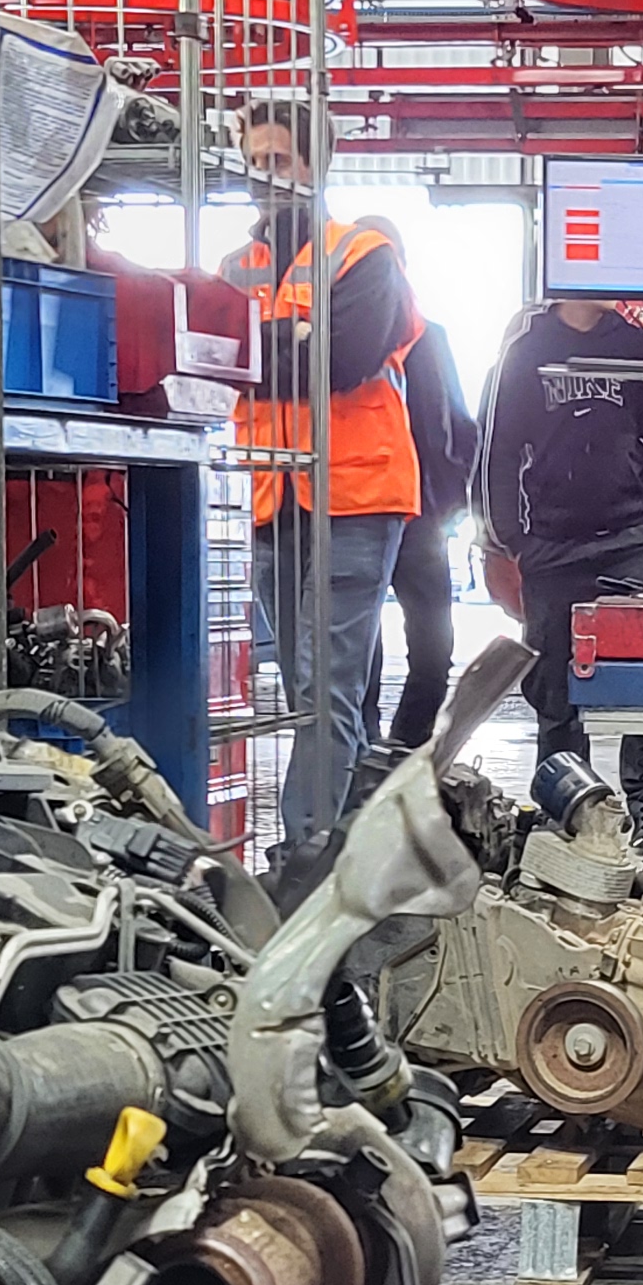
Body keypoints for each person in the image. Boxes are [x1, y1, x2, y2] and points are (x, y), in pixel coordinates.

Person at [227, 98, 424, 844]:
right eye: (254, 160)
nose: (263, 177)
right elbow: (214, 368)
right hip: (271, 496)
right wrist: (294, 338)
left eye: (278, 161)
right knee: (307, 684)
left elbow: (345, 360)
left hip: (354, 493)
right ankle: (344, 847)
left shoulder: (364, 255)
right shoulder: (233, 267)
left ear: (318, 164)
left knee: (326, 686)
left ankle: (300, 856)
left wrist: (262, 345)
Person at [483, 291, 643, 850]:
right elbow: (498, 452)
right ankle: (568, 808)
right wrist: (512, 538)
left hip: (631, 543)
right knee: (555, 687)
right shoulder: (527, 352)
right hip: (551, 546)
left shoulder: (634, 347)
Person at [381, 314, 473, 751]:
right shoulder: (338, 337)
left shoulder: (427, 335)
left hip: (420, 515)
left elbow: (454, 424)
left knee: (434, 652)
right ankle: (361, 752)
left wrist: (454, 502)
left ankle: (403, 749)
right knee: (355, 656)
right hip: (355, 512)